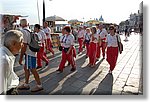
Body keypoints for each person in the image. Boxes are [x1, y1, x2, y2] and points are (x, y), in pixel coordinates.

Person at [18, 19, 43, 92]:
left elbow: (24, 45)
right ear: (28, 24)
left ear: (20, 24)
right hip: (32, 52)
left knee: (33, 69)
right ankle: (26, 84)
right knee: (26, 68)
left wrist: (20, 58)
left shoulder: (23, 32)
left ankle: (39, 85)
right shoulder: (29, 30)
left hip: (29, 53)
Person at [0, 30, 23, 95]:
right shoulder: (4, 61)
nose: (22, 45)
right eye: (21, 42)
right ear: (13, 43)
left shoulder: (6, 55)